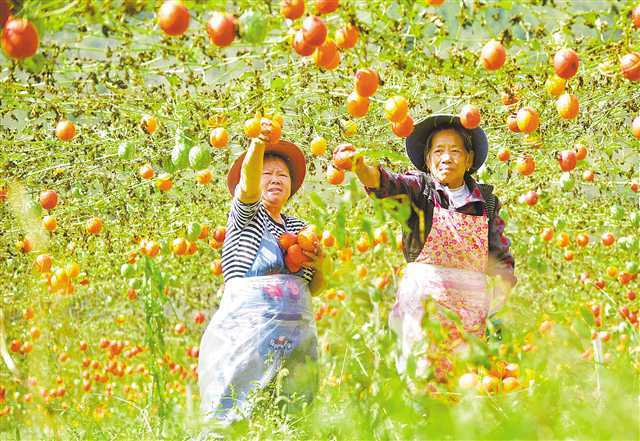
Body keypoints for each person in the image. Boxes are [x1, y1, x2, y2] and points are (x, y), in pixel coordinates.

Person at [346, 113, 516, 378]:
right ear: (428, 160)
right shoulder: (419, 191)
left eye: (455, 151)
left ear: (469, 159)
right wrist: (360, 168)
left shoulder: (486, 203)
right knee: (423, 383)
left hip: (469, 318)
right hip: (423, 314)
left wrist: (497, 300)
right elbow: (386, 184)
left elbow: (501, 259)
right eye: (438, 151)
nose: (446, 158)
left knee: (466, 386)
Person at [198, 121, 323, 425]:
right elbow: (248, 187)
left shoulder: (299, 229)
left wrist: (322, 262)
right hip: (247, 336)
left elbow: (315, 287)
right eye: (267, 173)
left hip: (296, 339)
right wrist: (257, 144)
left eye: (282, 174)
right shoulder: (247, 217)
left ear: (292, 185)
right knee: (238, 415)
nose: (276, 179)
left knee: (289, 418)